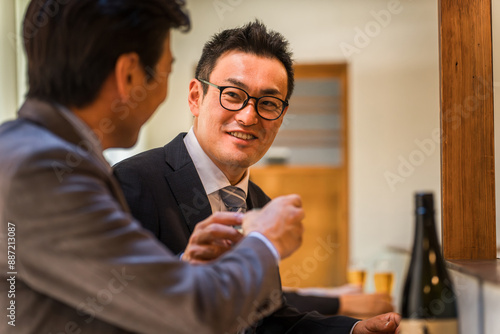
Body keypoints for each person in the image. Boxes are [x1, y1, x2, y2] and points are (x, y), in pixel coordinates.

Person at [0, 2, 310, 334]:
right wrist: (265, 239)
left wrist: (181, 271)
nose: (249, 116)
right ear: (130, 74)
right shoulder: (45, 171)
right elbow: (193, 311)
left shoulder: (31, 152)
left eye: (268, 103)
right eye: (167, 69)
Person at [114, 20, 400, 333]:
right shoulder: (134, 182)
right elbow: (114, 312)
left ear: (281, 116)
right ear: (196, 97)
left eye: (267, 103)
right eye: (233, 95)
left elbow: (269, 321)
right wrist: (186, 271)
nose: (249, 116)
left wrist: (353, 330)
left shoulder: (260, 203)